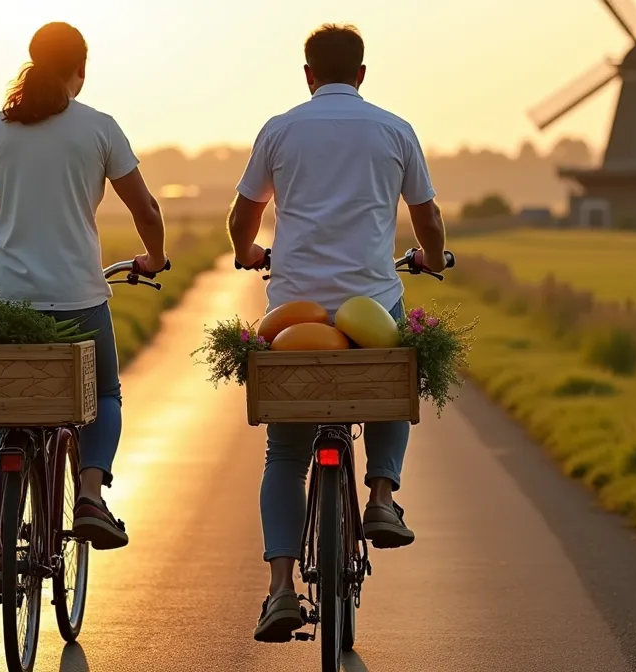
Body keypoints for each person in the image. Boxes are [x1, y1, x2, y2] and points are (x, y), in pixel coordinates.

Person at [227, 23, 449, 642]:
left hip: (294, 313)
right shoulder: (393, 129)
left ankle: (278, 590)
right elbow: (425, 214)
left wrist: (248, 251)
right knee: (393, 367)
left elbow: (243, 214)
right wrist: (432, 257)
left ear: (307, 74)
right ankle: (380, 495)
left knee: (285, 454)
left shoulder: (281, 128)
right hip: (369, 306)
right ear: (361, 74)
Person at [0, 21, 168, 603]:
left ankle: (3, 553)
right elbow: (145, 206)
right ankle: (92, 495)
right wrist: (155, 256)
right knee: (103, 395)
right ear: (82, 68)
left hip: (3, 299)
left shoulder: (0, 127)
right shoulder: (99, 128)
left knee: (9, 418)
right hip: (76, 296)